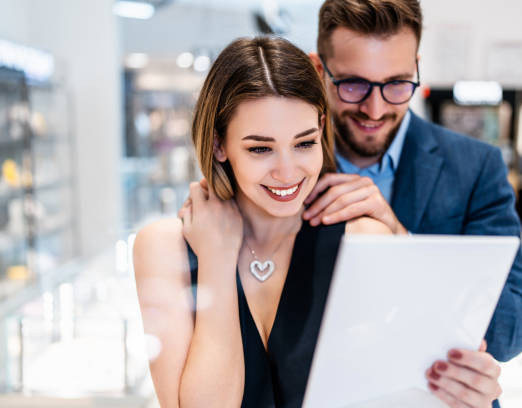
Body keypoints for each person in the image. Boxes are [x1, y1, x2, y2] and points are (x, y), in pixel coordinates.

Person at [183, 1, 522, 407]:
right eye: (353, 85)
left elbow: (514, 326)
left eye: (397, 84)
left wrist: (399, 237)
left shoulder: (475, 168)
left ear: (417, 69)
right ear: (319, 70)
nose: (375, 107)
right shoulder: (283, 172)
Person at [134, 36, 394, 407]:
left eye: (304, 143)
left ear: (321, 129)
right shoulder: (164, 247)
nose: (288, 172)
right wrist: (216, 261)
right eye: (260, 148)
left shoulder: (364, 242)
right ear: (218, 144)